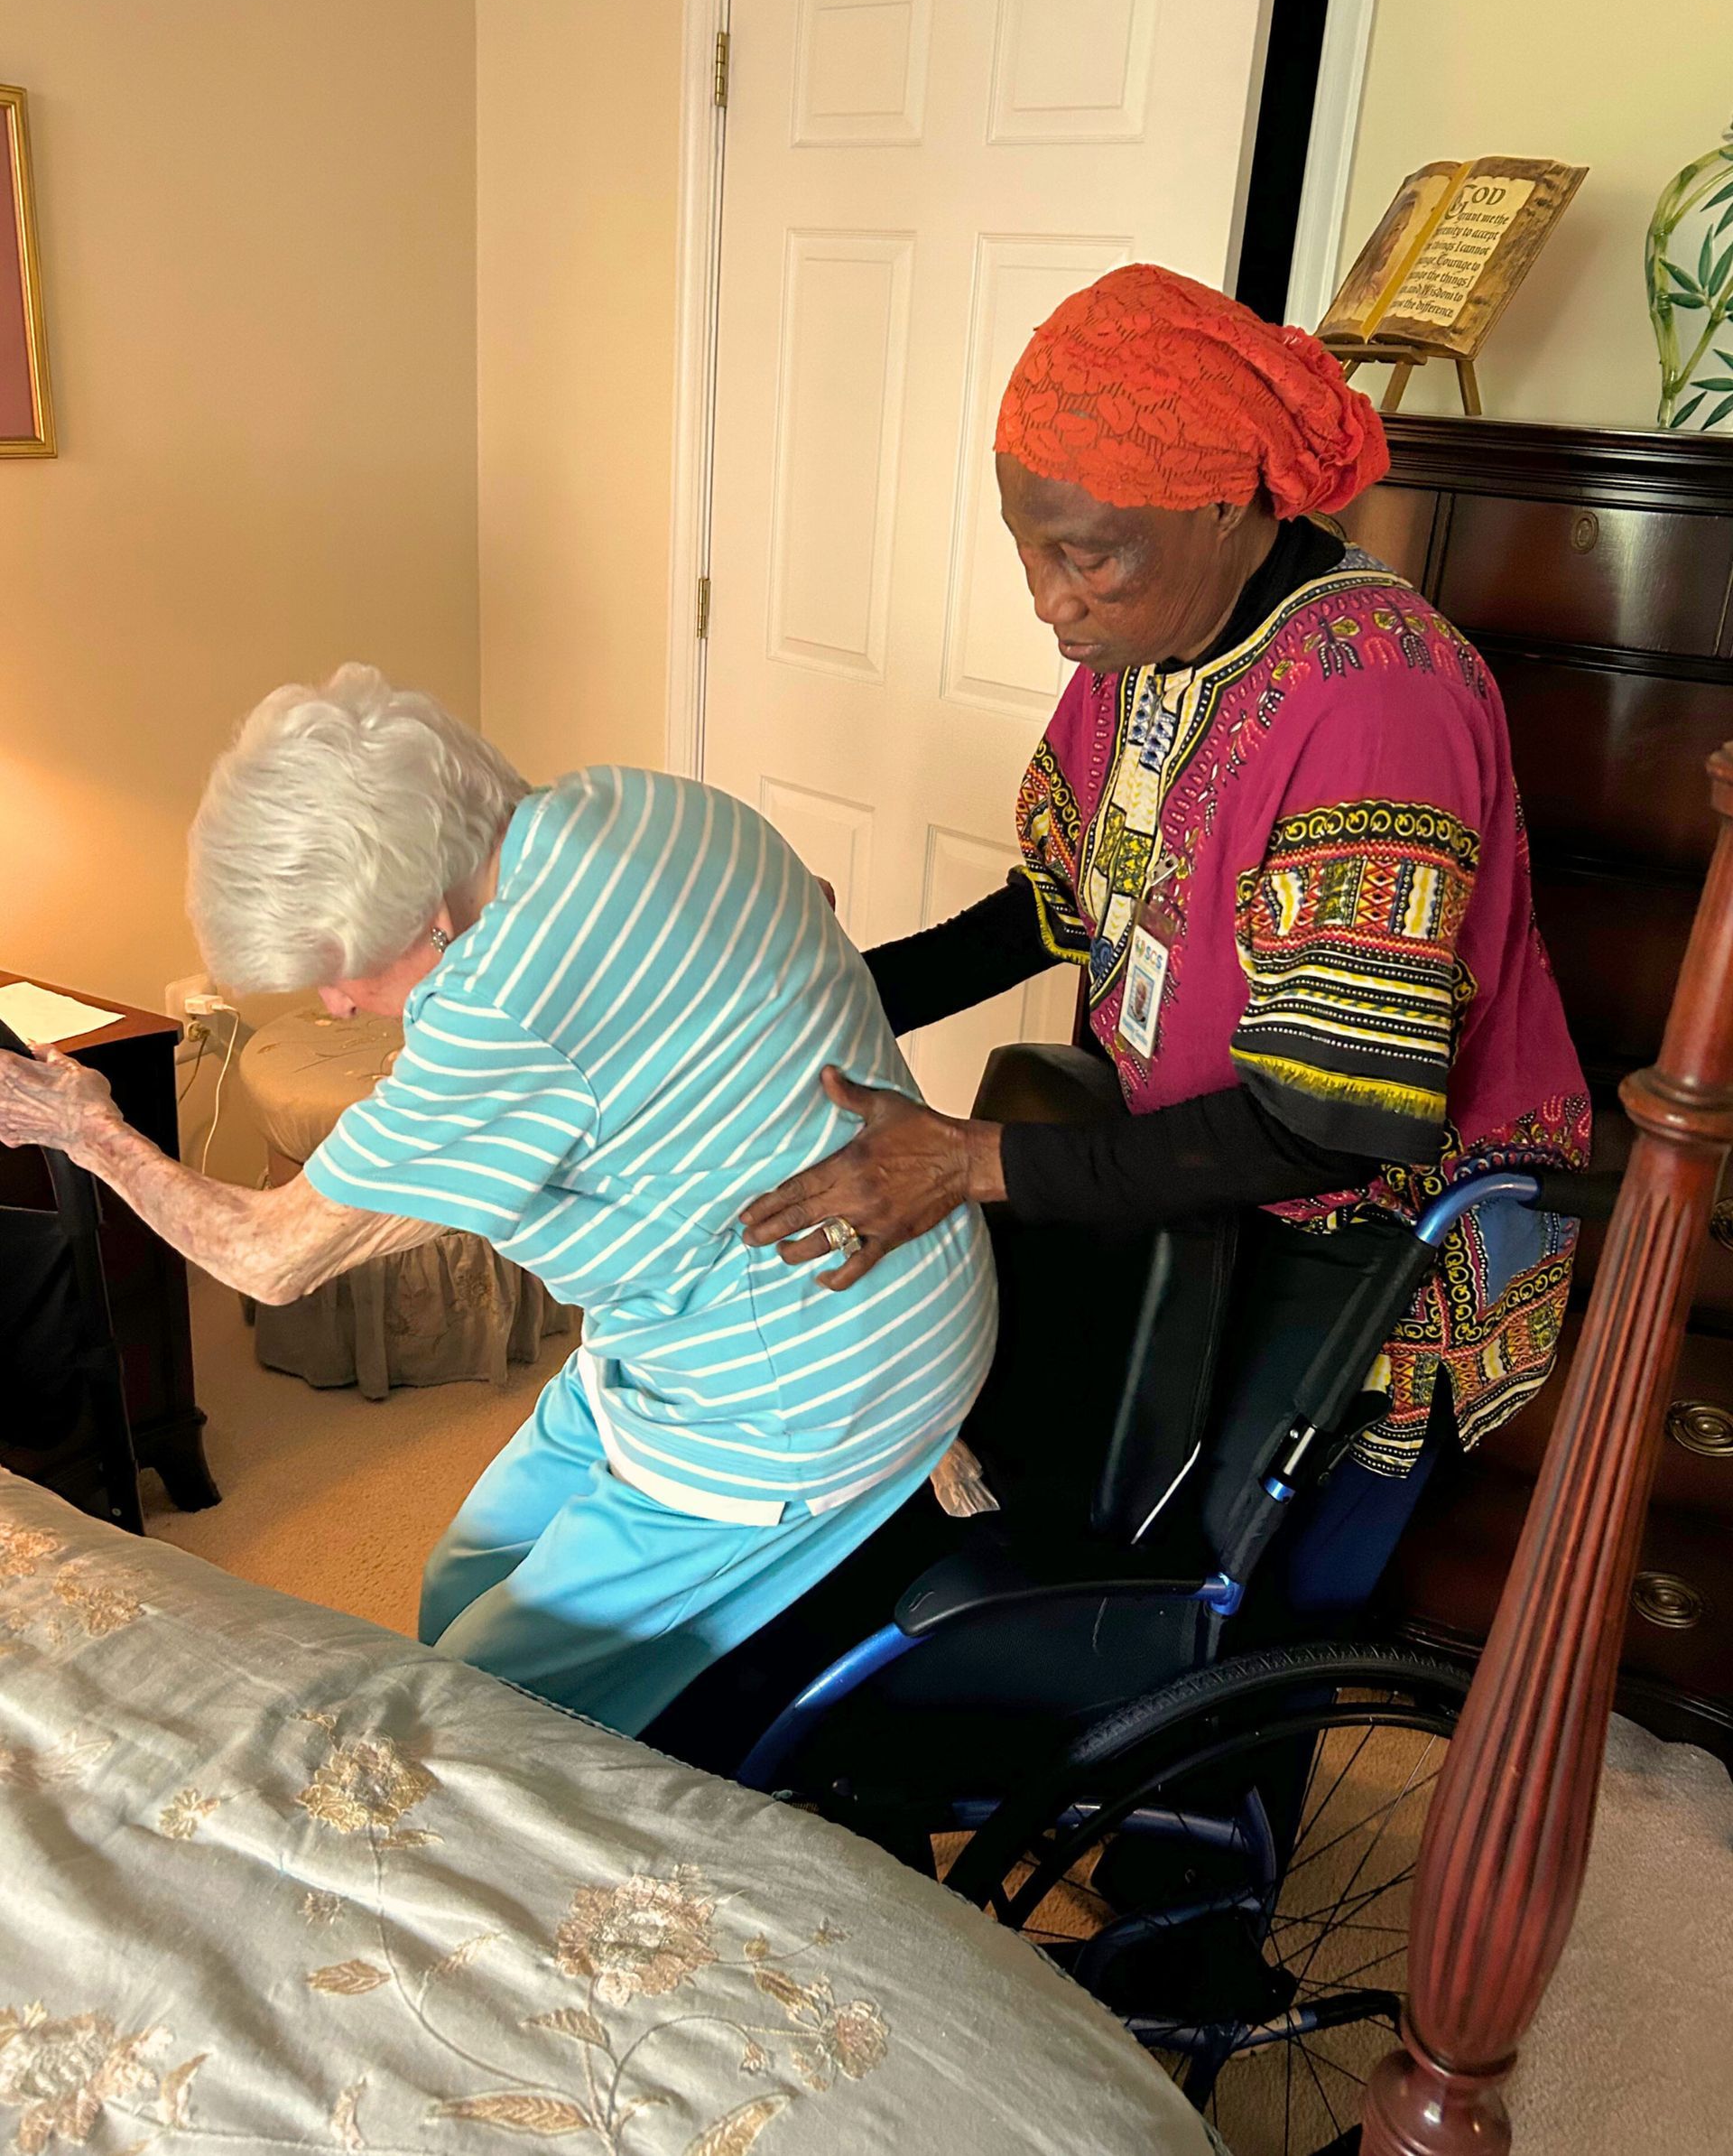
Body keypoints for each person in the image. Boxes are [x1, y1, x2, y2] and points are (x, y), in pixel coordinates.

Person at [743, 264, 1589, 1607]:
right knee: (1076, 1518)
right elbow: (1061, 902)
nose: (1048, 598)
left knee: (1219, 1616)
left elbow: (1329, 1120)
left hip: (1370, 1226)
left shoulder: (1376, 702)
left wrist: (971, 1161)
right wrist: (820, 992)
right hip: (1204, 1168)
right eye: (1028, 542)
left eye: (1087, 554)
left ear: (1220, 503)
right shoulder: (1149, 650)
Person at [0, 669, 995, 1732]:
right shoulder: (650, 803)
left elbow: (272, 1255)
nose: (336, 1004)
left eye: (343, 972)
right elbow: (813, 927)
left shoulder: (501, 1010)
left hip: (791, 1392)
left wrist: (85, 1127)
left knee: (480, 1711)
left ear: (430, 913)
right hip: (775, 1307)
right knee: (458, 1588)